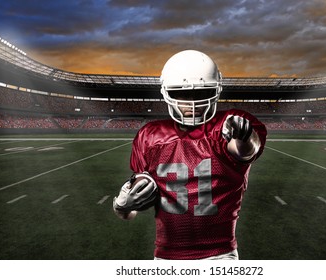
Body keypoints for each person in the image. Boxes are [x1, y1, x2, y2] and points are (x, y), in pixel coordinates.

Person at [113, 50, 267, 260]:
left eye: (201, 93)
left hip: (219, 255)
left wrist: (243, 133)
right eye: (182, 93)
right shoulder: (149, 136)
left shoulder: (228, 125)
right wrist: (122, 207)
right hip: (166, 256)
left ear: (215, 91)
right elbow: (130, 211)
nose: (192, 102)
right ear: (167, 92)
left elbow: (245, 150)